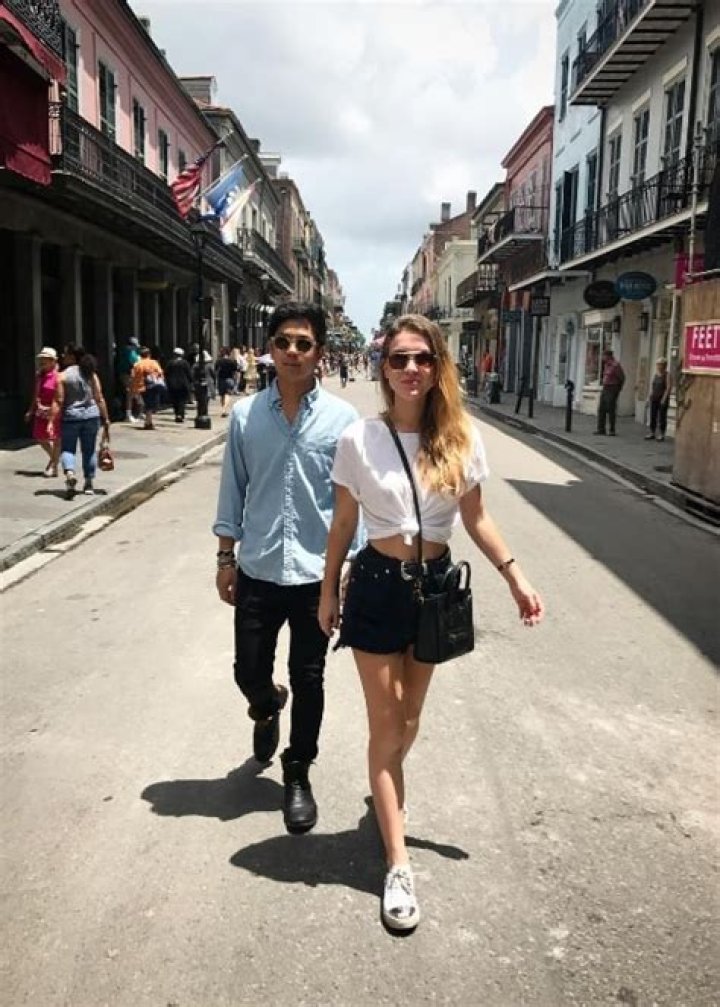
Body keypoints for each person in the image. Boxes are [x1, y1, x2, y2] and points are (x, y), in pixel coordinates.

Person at [318, 313, 544, 933]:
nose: (411, 369)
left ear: (438, 365)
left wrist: (516, 577)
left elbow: (477, 518)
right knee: (386, 721)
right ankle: (397, 863)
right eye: (399, 359)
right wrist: (327, 591)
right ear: (384, 369)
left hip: (435, 590)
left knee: (410, 718)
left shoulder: (461, 438)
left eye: (422, 358)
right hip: (375, 586)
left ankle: (386, 784)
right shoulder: (359, 439)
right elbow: (343, 523)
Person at [213, 302, 359, 835]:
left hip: (317, 575)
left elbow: (351, 503)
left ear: (319, 352)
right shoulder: (245, 416)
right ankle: (267, 704)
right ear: (269, 349)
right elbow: (233, 489)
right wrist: (225, 557)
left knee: (309, 676)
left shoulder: (344, 420)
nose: (292, 352)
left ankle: (297, 771)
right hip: (257, 566)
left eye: (303, 343)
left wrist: (348, 569)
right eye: (283, 342)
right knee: (248, 670)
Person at [50, 346, 110, 497]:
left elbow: (59, 401)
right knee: (89, 450)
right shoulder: (90, 373)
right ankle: (88, 483)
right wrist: (106, 418)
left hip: (71, 417)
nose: (63, 356)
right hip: (91, 416)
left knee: (68, 449)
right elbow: (99, 398)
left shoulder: (62, 376)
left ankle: (70, 474)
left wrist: (51, 420)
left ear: (72, 357)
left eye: (65, 354)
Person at [24, 346, 61, 476]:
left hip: (55, 410)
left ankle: (53, 466)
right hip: (41, 410)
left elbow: (60, 396)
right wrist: (31, 410)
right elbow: (36, 394)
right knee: (41, 437)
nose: (42, 362)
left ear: (52, 361)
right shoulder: (40, 376)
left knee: (56, 438)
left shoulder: (58, 376)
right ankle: (54, 460)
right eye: (41, 360)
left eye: (45, 359)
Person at [130, 347, 165, 430]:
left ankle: (148, 422)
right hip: (152, 386)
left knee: (147, 404)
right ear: (149, 354)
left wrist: (133, 388)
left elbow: (133, 376)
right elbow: (160, 372)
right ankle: (148, 423)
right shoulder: (153, 362)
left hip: (141, 387)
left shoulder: (137, 364)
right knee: (150, 405)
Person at [595, 348, 625, 436]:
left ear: (608, 356)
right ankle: (601, 429)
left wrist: (618, 389)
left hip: (612, 388)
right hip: (605, 387)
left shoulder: (615, 365)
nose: (602, 357)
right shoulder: (606, 365)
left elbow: (622, 377)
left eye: (603, 355)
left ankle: (612, 430)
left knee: (611, 409)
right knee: (601, 409)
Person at [115, 337, 142, 422]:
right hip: (127, 374)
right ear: (131, 345)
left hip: (127, 374)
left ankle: (133, 413)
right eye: (135, 346)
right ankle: (128, 415)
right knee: (130, 394)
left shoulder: (128, 351)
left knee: (132, 394)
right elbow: (135, 363)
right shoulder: (129, 351)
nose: (136, 348)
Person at [645, 357, 672, 441]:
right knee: (653, 415)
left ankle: (661, 434)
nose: (659, 366)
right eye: (658, 364)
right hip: (654, 398)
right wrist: (649, 397)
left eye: (661, 364)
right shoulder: (656, 375)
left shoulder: (667, 375)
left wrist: (664, 398)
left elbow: (668, 387)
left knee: (662, 417)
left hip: (662, 398)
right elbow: (653, 387)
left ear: (665, 365)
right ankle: (652, 432)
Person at [164, 348, 194, 423]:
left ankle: (177, 414)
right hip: (183, 384)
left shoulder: (170, 363)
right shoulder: (185, 363)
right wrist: (191, 381)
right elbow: (189, 374)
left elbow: (166, 374)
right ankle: (180, 414)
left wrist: (167, 382)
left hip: (172, 384)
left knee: (175, 400)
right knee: (182, 400)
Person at [215, 347, 238, 417]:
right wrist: (235, 380)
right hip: (229, 379)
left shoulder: (219, 361)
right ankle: (224, 408)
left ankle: (223, 410)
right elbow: (235, 371)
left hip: (221, 379)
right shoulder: (232, 361)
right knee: (227, 394)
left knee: (222, 395)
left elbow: (216, 370)